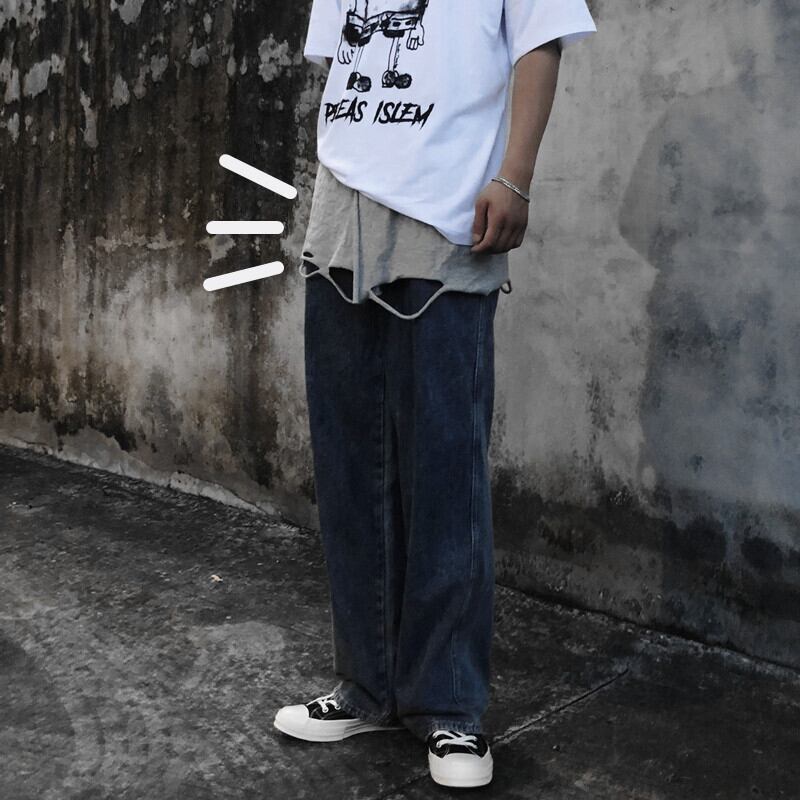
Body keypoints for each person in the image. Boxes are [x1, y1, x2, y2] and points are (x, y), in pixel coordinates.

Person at [274, 0, 596, 788]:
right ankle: (367, 686)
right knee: (351, 467)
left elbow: (540, 41)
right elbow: (345, 63)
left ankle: (450, 707)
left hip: (450, 208)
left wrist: (515, 175)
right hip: (342, 209)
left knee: (445, 467)